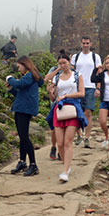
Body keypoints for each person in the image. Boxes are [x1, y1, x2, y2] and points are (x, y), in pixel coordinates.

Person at [45, 53, 87, 183]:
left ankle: (65, 170)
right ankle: (66, 165)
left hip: (72, 109)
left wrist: (67, 96)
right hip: (59, 109)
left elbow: (82, 93)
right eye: (60, 63)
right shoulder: (57, 77)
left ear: (69, 62)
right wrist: (51, 92)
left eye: (64, 63)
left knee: (68, 141)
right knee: (60, 143)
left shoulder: (77, 75)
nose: (62, 65)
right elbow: (54, 97)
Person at [6, 56, 44, 176]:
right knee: (23, 137)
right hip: (22, 108)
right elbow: (20, 92)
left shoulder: (30, 75)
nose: (18, 69)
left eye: (19, 66)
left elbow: (20, 84)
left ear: (25, 64)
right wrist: (11, 88)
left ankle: (33, 165)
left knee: (24, 137)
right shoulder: (29, 76)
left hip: (24, 110)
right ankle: (22, 161)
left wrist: (10, 79)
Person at [70, 36, 102, 149]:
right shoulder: (76, 57)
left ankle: (87, 138)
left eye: (87, 43)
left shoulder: (95, 57)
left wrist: (98, 88)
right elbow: (71, 71)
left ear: (90, 44)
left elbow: (99, 73)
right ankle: (79, 135)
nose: (85, 45)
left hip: (90, 86)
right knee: (77, 112)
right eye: (83, 43)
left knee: (88, 112)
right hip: (77, 87)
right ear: (81, 44)